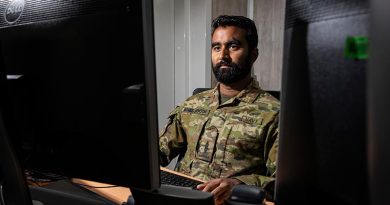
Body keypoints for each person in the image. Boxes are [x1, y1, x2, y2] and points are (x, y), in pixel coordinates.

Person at [159, 15, 279, 204]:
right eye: (216, 47)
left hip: (229, 201)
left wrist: (239, 184)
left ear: (253, 54)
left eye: (233, 46)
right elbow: (159, 151)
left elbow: (283, 182)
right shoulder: (193, 104)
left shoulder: (273, 112)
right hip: (178, 196)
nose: (222, 55)